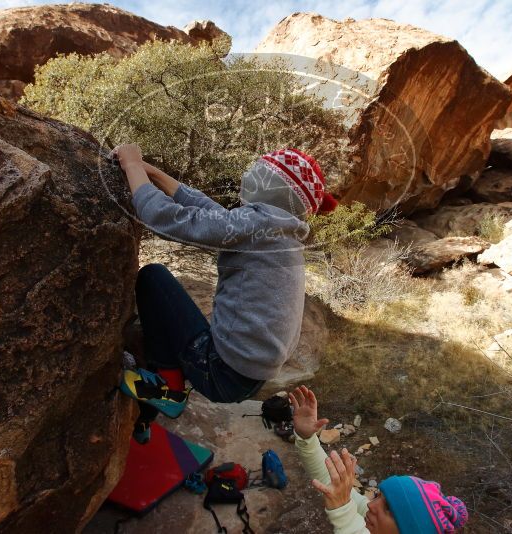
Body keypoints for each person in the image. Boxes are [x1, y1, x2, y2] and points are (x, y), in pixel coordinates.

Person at [111, 143, 338, 443]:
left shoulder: (261, 225)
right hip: (248, 378)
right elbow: (212, 213)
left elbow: (165, 218)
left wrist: (131, 166)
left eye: (257, 171)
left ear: (272, 187)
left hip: (220, 371)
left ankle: (171, 390)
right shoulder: (278, 231)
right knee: (170, 323)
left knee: (154, 279)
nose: (247, 174)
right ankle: (146, 417)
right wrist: (150, 171)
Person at [290, 386, 469, 533]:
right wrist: (307, 440)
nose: (372, 506)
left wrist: (343, 509)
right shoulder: (372, 514)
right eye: (378, 496)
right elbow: (329, 482)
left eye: (389, 509)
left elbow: (350, 524)